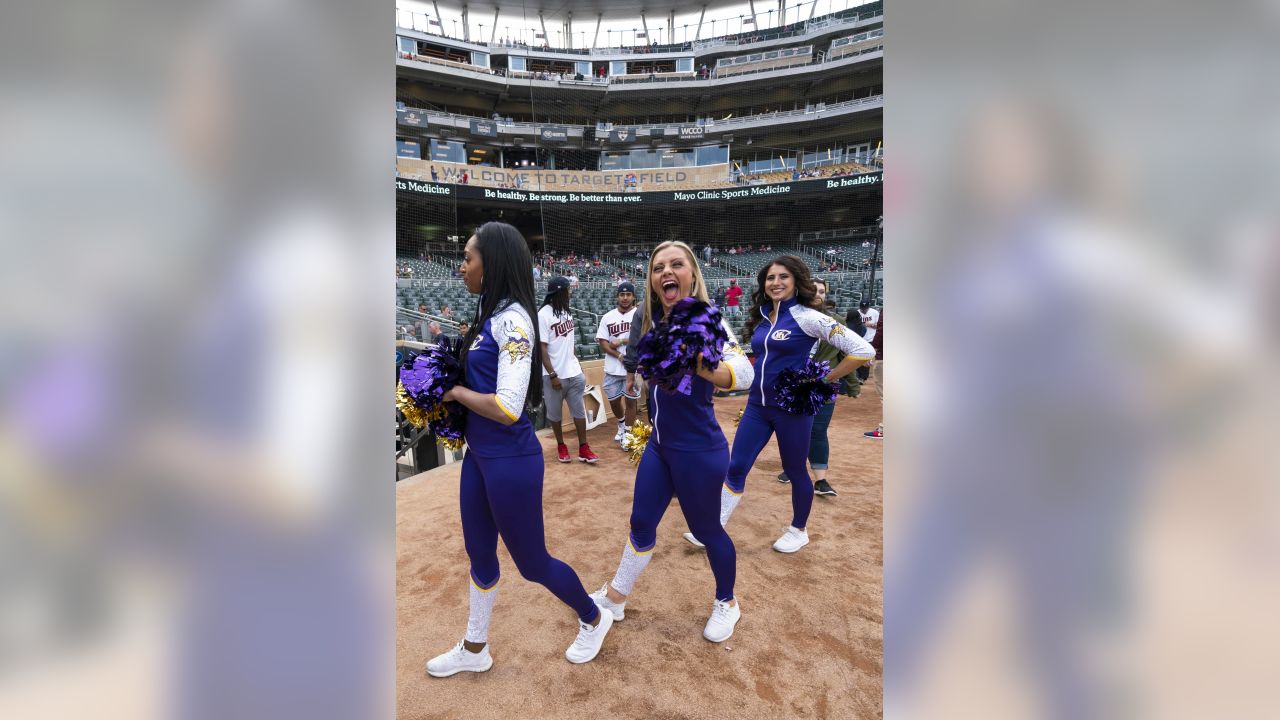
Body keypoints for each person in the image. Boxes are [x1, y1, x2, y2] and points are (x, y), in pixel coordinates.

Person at [425, 222, 614, 677]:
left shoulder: (513, 320)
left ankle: (594, 616)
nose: (462, 266)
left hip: (511, 461)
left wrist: (453, 394)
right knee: (480, 555)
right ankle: (475, 649)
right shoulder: (491, 315)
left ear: (491, 263)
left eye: (468, 257)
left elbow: (509, 407)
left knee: (532, 563)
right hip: (481, 458)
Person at [590, 240, 753, 643]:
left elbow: (743, 373)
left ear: (692, 273)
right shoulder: (654, 324)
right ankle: (615, 597)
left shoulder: (709, 321)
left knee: (708, 530)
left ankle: (727, 603)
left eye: (676, 264)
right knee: (641, 522)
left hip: (699, 451)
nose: (666, 271)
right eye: (658, 266)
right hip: (660, 448)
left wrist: (699, 364)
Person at [683, 256, 873, 553]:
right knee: (736, 466)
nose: (776, 283)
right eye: (770, 278)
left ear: (796, 281)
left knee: (795, 469)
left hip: (793, 409)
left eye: (783, 277)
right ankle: (713, 526)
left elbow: (863, 349)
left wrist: (823, 379)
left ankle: (799, 529)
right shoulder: (762, 318)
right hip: (758, 407)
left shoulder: (810, 317)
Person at [775, 278, 856, 495]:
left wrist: (852, 383)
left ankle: (821, 480)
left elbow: (848, 353)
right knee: (795, 431)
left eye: (821, 291)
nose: (817, 294)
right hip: (794, 388)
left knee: (818, 431)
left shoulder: (837, 322)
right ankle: (793, 469)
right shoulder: (788, 320)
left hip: (823, 388)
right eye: (813, 290)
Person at [539, 276, 599, 464]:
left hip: (573, 374)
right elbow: (542, 348)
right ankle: (561, 445)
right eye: (568, 290)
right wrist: (552, 374)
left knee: (579, 412)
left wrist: (577, 365)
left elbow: (569, 343)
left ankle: (583, 447)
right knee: (555, 415)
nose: (570, 293)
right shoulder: (543, 315)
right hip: (554, 376)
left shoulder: (567, 313)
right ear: (560, 292)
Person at [595, 282, 640, 447]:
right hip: (613, 367)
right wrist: (619, 355)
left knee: (631, 401)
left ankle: (628, 432)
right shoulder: (608, 317)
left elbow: (644, 336)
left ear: (633, 296)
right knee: (614, 401)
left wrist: (622, 340)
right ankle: (621, 424)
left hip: (633, 368)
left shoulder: (639, 314)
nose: (625, 298)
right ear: (617, 297)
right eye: (622, 294)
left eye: (629, 295)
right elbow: (603, 342)